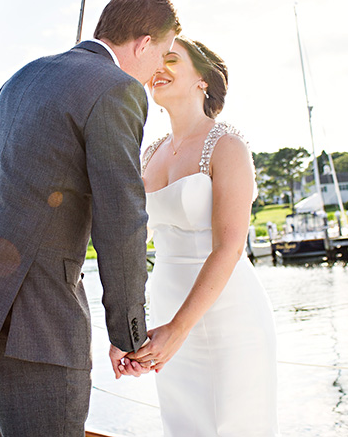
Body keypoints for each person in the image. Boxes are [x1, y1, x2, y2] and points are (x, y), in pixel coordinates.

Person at [0, 0, 181, 437]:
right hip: (31, 310)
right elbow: (121, 218)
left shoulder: (24, 75)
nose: (158, 68)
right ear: (143, 43)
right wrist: (128, 333)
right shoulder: (118, 89)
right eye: (161, 53)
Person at [132, 36, 279, 436]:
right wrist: (125, 329)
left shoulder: (228, 147)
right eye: (155, 60)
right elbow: (132, 246)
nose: (158, 67)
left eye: (172, 59)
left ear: (203, 80)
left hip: (228, 316)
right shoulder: (149, 154)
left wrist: (178, 329)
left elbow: (230, 248)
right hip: (165, 310)